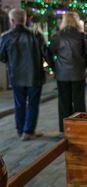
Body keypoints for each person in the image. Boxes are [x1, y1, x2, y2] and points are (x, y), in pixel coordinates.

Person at [0, 8, 52, 141]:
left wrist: (11, 62)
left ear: (12, 21)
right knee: (33, 104)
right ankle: (28, 131)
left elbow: (2, 56)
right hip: (35, 75)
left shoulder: (6, 36)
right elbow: (46, 54)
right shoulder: (36, 35)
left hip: (16, 76)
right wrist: (54, 68)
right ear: (26, 19)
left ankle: (20, 130)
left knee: (19, 104)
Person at [49, 12, 87, 133]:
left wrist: (54, 67)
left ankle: (65, 128)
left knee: (64, 101)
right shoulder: (82, 35)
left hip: (62, 74)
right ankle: (80, 126)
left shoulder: (57, 37)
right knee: (79, 101)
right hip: (78, 73)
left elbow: (49, 52)